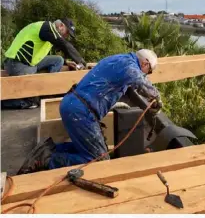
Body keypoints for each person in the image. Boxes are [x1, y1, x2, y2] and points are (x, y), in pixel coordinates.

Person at [17, 49, 163, 175]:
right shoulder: (129, 66)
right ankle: (48, 159)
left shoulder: (119, 59)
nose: (146, 75)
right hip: (81, 111)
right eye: (148, 72)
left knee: (90, 147)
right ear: (145, 63)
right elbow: (139, 80)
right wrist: (155, 97)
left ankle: (49, 149)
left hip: (74, 104)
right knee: (99, 160)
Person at [2, 18, 87, 109]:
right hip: (16, 63)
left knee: (58, 60)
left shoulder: (50, 32)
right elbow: (64, 45)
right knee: (33, 102)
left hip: (31, 62)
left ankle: (48, 91)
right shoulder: (46, 28)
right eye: (67, 32)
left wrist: (66, 62)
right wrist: (80, 61)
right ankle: (5, 103)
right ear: (61, 25)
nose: (66, 36)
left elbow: (39, 53)